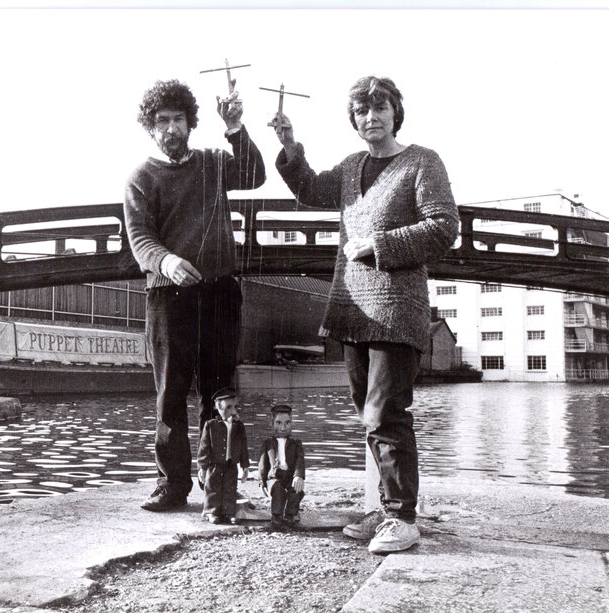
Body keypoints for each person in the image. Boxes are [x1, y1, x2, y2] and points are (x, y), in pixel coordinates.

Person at [271, 76, 459, 553]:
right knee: (367, 414)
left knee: (386, 413)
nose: (370, 117)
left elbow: (444, 227)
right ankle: (385, 506)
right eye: (361, 111)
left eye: (380, 108)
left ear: (396, 113)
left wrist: (379, 244)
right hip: (352, 309)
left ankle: (402, 518)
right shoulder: (352, 166)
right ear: (353, 120)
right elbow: (310, 188)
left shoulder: (422, 161)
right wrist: (290, 145)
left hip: (397, 310)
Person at [124, 79, 265, 512]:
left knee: (218, 392)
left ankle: (216, 480)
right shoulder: (141, 178)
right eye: (162, 121)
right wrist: (166, 261)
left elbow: (255, 175)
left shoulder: (213, 162)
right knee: (170, 394)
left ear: (191, 123)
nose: (171, 128)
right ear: (151, 128)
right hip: (169, 297)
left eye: (179, 119)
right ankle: (172, 484)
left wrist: (235, 127)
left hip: (220, 293)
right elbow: (140, 237)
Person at [197, 387, 250, 524]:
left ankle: (228, 512)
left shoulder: (239, 426)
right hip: (214, 465)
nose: (233, 411)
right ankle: (211, 511)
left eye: (235, 407)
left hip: (231, 464)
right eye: (228, 407)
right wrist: (202, 467)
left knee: (230, 488)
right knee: (212, 487)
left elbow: (243, 447)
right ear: (218, 407)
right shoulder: (210, 426)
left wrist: (245, 466)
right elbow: (204, 448)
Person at [258, 404, 305, 529]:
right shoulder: (268, 443)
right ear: (272, 423)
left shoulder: (296, 443)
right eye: (278, 423)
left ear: (292, 423)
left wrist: (298, 476)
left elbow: (300, 461)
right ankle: (277, 516)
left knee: (296, 490)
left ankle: (291, 514)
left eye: (287, 423)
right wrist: (262, 481)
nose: (283, 428)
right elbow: (262, 464)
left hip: (290, 476)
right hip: (275, 476)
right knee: (277, 489)